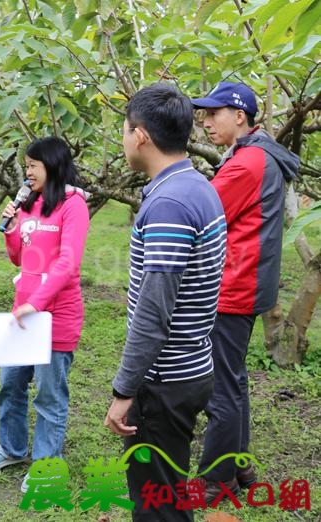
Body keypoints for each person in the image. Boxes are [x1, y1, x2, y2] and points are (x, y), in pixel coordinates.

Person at [104, 83, 227, 522]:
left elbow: (153, 314)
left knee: (157, 504)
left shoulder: (170, 203)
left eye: (124, 130)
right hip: (191, 365)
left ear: (140, 136)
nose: (122, 140)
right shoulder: (196, 185)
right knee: (169, 494)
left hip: (164, 380)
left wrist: (124, 391)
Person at [191, 82, 299, 499]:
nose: (205, 121)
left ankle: (215, 483)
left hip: (233, 286)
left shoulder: (246, 164)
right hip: (249, 284)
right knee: (232, 381)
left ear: (240, 116)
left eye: (213, 112)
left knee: (220, 385)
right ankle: (240, 466)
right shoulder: (258, 155)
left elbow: (202, 214)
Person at [0, 136, 90, 493]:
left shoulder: (73, 205)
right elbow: (19, 257)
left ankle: (46, 467)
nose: (27, 173)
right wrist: (12, 228)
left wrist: (38, 302)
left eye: (32, 166)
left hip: (55, 315)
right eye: (25, 166)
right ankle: (12, 448)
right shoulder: (28, 203)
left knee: (48, 395)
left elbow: (68, 262)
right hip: (24, 313)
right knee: (10, 385)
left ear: (53, 165)